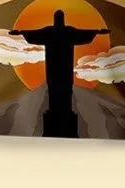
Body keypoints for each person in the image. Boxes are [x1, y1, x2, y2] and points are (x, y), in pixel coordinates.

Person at [20, 9, 105, 137]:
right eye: (58, 17)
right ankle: (56, 113)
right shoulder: (53, 32)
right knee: (54, 90)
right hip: (54, 68)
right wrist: (21, 32)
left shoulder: (64, 32)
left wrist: (97, 32)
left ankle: (65, 113)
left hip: (63, 68)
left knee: (65, 91)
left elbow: (83, 34)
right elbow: (35, 34)